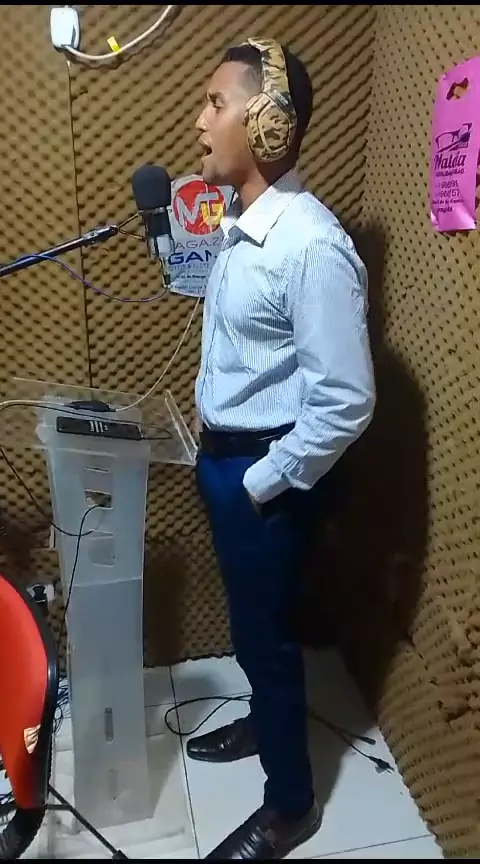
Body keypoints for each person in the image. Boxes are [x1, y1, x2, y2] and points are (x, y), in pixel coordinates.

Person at [190, 37, 376, 860]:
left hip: (261, 473)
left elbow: (346, 400)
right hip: (228, 461)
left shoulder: (311, 245)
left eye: (216, 104)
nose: (200, 123)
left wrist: (260, 483)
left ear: (269, 123)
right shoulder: (243, 226)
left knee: (266, 639)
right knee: (251, 626)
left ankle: (291, 804)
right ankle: (268, 723)